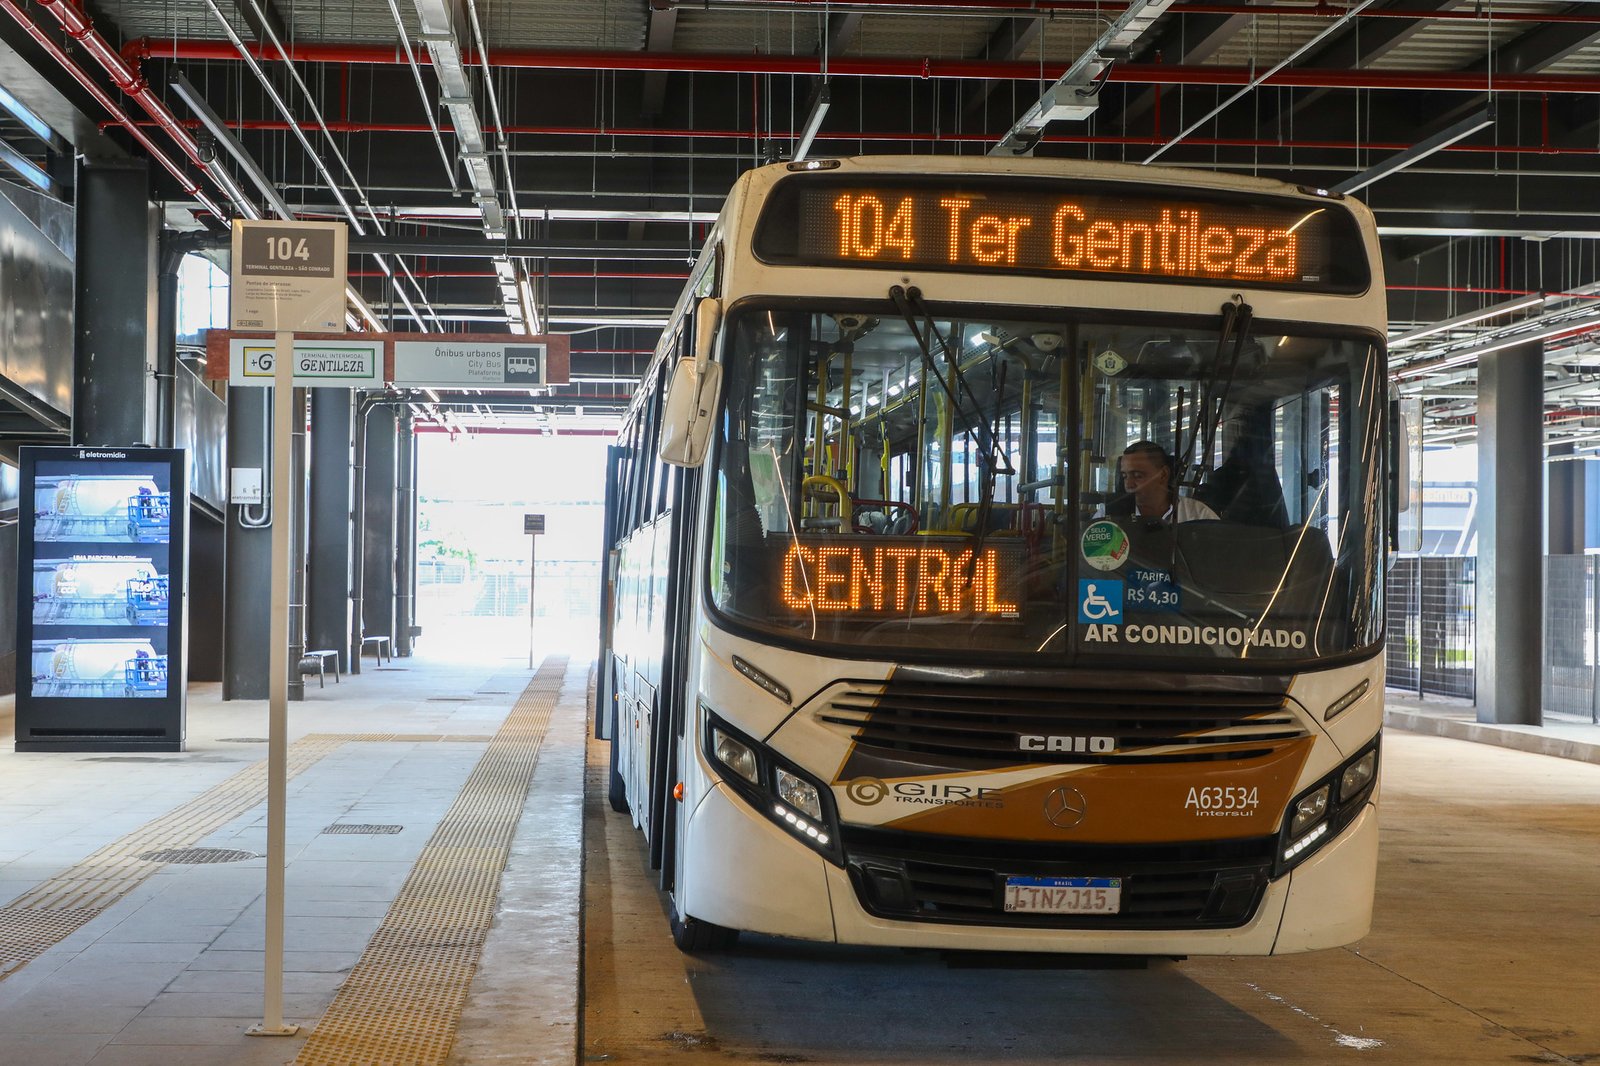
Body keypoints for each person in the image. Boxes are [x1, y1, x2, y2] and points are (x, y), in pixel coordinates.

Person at [1107, 441, 1218, 524]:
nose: (1128, 484)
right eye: (1124, 476)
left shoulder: (1198, 515)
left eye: (1138, 476)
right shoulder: (1109, 514)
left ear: (1163, 474)